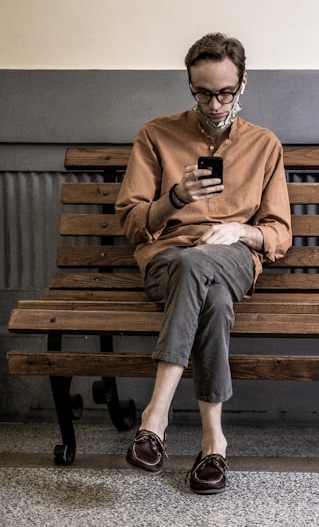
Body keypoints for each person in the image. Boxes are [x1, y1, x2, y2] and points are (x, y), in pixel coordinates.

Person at [116, 33, 292, 494]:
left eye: (225, 92)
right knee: (208, 292)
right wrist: (175, 198)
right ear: (189, 85)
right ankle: (214, 441)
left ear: (243, 83)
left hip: (233, 255)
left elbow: (278, 232)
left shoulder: (264, 145)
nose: (215, 104)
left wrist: (238, 231)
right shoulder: (155, 135)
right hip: (168, 259)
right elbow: (133, 224)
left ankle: (155, 417)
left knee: (205, 267)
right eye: (203, 92)